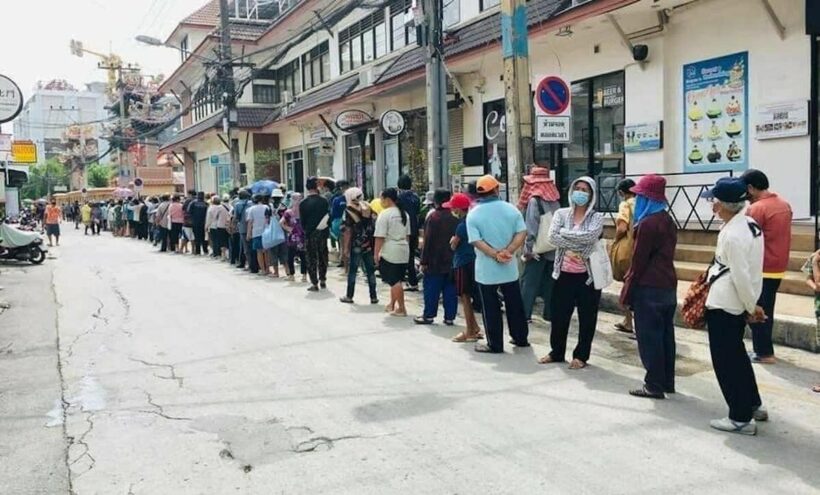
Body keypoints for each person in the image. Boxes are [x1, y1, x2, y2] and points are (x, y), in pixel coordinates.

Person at [700, 177, 768, 435]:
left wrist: (752, 306)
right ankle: (752, 403)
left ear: (725, 205)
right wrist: (752, 302)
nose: (712, 206)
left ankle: (739, 417)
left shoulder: (732, 234)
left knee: (726, 362)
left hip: (726, 303)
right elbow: (752, 271)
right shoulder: (750, 225)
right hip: (738, 301)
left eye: (714, 201)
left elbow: (740, 275)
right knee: (738, 356)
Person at [619, 175, 678, 399]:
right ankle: (667, 381)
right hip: (667, 285)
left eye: (640, 196)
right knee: (665, 336)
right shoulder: (667, 220)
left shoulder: (646, 224)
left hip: (649, 287)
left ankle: (653, 384)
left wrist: (626, 292)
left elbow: (638, 263)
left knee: (649, 337)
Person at [538, 177, 604, 369]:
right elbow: (552, 237)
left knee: (587, 318)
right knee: (559, 316)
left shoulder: (596, 217)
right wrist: (578, 241)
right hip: (563, 274)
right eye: (578, 188)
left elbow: (591, 237)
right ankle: (556, 352)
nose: (581, 193)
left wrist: (565, 234)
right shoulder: (561, 213)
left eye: (585, 190)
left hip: (587, 277)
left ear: (591, 194)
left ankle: (581, 356)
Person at [467, 175, 529, 353]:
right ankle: (520, 338)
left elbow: (476, 241)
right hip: (509, 267)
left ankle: (495, 343)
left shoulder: (474, 213)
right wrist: (508, 251)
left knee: (490, 306)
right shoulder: (511, 209)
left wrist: (494, 254)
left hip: (486, 270)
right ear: (496, 190)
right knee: (514, 302)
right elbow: (521, 232)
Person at [742, 169, 792, 365]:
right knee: (768, 308)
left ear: (750, 188)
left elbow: (748, 238)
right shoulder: (783, 204)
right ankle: (765, 350)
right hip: (778, 265)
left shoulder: (756, 209)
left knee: (758, 311)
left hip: (761, 267)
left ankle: (764, 352)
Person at [518, 167, 561, 323]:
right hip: (553, 247)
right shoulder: (555, 200)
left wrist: (528, 250)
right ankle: (549, 313)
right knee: (550, 283)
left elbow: (531, 227)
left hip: (537, 248)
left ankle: (524, 314)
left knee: (529, 283)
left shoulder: (534, 201)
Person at [414, 189, 459, 325]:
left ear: (436, 201)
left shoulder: (433, 218)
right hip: (451, 260)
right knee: (450, 289)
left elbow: (428, 241)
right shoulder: (455, 218)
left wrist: (423, 261)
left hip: (434, 260)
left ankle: (428, 315)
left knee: (431, 289)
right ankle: (450, 317)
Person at [445, 193, 483, 343]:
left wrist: (452, 241)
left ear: (459, 209)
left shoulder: (462, 225)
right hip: (475, 261)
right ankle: (474, 327)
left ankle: (470, 331)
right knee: (470, 295)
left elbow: (454, 245)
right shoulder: (474, 221)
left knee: (465, 297)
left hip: (462, 263)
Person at [375, 187, 411, 316]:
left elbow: (380, 237)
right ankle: (392, 304)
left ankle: (401, 308)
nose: (380, 201)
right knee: (397, 280)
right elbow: (407, 235)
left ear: (388, 199)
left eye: (381, 198)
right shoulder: (404, 214)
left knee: (394, 280)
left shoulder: (385, 214)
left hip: (390, 250)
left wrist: (376, 253)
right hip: (403, 249)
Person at [339, 187, 379, 304]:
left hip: (356, 243)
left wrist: (345, 248)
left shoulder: (349, 210)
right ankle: (373, 296)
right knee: (370, 271)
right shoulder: (369, 207)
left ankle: (349, 296)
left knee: (353, 270)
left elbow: (347, 231)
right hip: (368, 243)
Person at [612, 178, 637, 335]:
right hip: (642, 247)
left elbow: (621, 228)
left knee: (628, 285)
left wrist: (615, 241)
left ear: (621, 193)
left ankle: (629, 322)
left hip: (629, 248)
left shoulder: (625, 204)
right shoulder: (643, 202)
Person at [300, 177, 331, 292]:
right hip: (322, 232)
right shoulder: (323, 201)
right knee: (323, 256)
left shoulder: (303, 203)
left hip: (310, 233)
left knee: (311, 258)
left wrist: (307, 230)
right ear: (316, 186)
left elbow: (302, 222)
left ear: (307, 188)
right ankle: (323, 279)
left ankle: (314, 283)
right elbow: (328, 217)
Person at [800, 250, 820, 394]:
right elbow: (808, 277)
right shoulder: (816, 256)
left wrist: (815, 264)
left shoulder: (816, 259)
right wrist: (815, 288)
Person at [397, 174, 421, 292]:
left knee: (403, 256)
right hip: (414, 229)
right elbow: (417, 213)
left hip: (403, 229)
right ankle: (413, 281)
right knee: (411, 255)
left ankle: (404, 281)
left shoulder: (399, 198)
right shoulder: (416, 197)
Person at [281, 192, 307, 282]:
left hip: (298, 237)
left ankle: (299, 275)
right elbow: (281, 222)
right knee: (296, 256)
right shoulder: (290, 212)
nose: (297, 201)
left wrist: (289, 229)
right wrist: (289, 229)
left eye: (298, 199)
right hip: (297, 237)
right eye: (295, 199)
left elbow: (281, 223)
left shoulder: (299, 211)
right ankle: (298, 275)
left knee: (298, 257)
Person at [246, 194, 272, 276]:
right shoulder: (266, 207)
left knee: (259, 252)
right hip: (266, 231)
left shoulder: (252, 209)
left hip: (256, 232)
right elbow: (269, 219)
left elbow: (250, 222)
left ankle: (263, 270)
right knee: (267, 251)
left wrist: (248, 233)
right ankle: (268, 269)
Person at [329, 180, 349, 264]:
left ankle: (343, 260)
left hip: (342, 222)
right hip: (341, 223)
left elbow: (332, 212)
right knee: (343, 242)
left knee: (343, 242)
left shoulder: (337, 198)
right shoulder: (337, 198)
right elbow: (333, 212)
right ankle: (344, 261)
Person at [269, 190, 288, 277]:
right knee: (284, 251)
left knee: (273, 252)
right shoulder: (284, 207)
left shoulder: (269, 207)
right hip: (283, 230)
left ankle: (276, 272)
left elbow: (267, 220)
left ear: (272, 198)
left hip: (273, 231)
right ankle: (287, 271)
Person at [232, 189, 253, 269]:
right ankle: (256, 264)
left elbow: (235, 217)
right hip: (252, 227)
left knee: (246, 247)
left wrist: (233, 226)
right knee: (253, 247)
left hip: (243, 227)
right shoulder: (251, 203)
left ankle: (250, 264)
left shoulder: (237, 205)